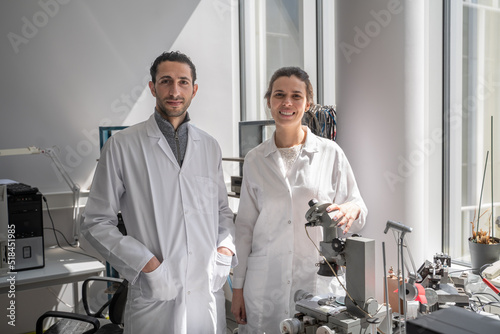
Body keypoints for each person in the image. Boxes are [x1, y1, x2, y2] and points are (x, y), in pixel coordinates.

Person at [81, 51, 237, 334]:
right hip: (155, 295)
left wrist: (225, 251)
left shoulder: (210, 146)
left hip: (205, 294)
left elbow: (222, 212)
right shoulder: (122, 146)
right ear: (153, 87)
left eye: (183, 82)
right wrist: (147, 265)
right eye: (166, 81)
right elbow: (95, 223)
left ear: (194, 89)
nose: (175, 91)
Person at [231, 67, 367, 334]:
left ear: (308, 103)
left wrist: (352, 208)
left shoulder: (330, 153)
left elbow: (359, 210)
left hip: (316, 281)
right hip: (264, 285)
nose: (287, 103)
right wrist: (237, 289)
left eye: (296, 95)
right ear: (269, 100)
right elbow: (245, 228)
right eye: (279, 95)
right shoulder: (255, 159)